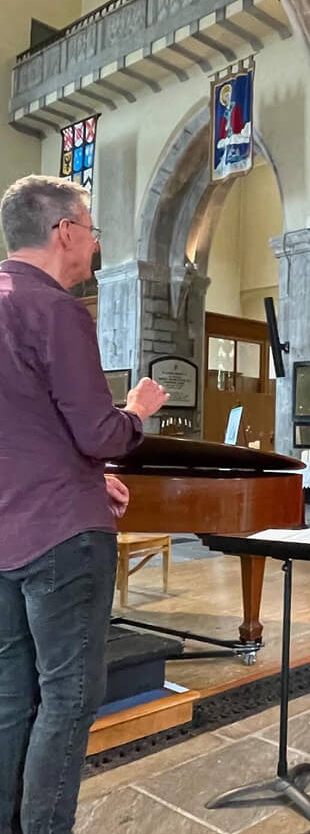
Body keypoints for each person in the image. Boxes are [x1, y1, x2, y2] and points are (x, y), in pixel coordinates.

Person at [0, 175, 169, 834]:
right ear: (64, 231)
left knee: (11, 694)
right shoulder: (56, 309)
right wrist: (137, 411)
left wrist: (85, 476)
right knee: (69, 697)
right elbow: (99, 433)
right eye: (92, 231)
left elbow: (23, 428)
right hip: (62, 537)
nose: (96, 245)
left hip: (6, 529)